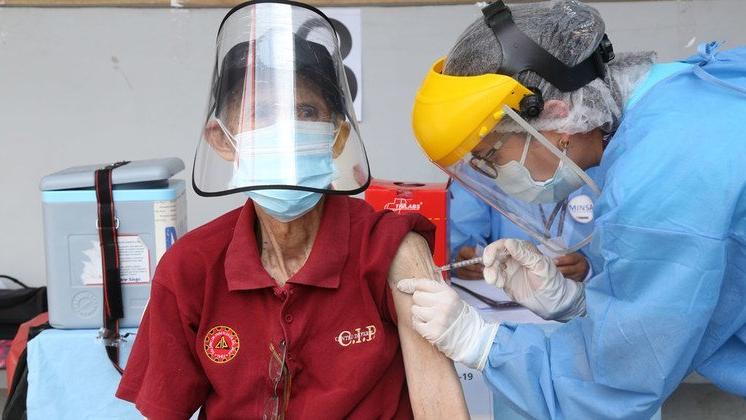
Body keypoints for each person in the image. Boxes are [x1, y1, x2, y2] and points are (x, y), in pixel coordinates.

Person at [115, 2, 467, 418]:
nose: (284, 132)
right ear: (222, 139)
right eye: (262, 113)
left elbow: (440, 407)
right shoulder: (190, 268)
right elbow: (163, 409)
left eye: (306, 112)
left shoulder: (393, 251)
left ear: (337, 137)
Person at [400, 0, 746, 418]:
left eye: (491, 155)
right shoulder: (691, 90)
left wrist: (479, 342)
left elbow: (619, 383)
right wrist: (579, 302)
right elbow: (704, 298)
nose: (494, 173)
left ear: (556, 117)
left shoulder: (656, 184)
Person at [449, 177, 594, 282]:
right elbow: (458, 235)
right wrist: (459, 260)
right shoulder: (483, 170)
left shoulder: (596, 168)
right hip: (502, 295)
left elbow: (608, 255)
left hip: (580, 295)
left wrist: (588, 270)